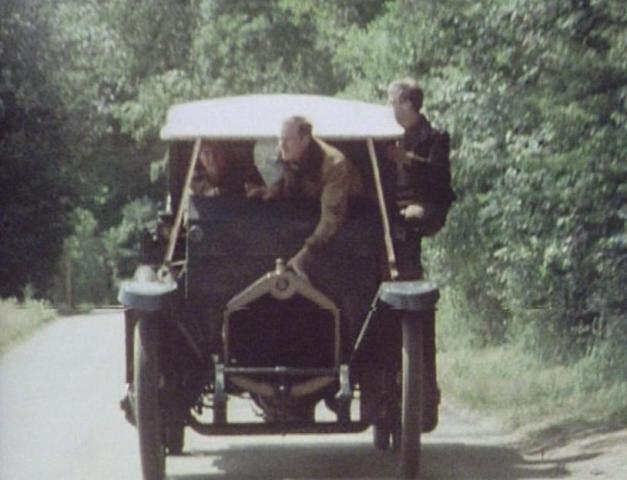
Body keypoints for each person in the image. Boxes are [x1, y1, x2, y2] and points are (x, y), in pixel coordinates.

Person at [387, 78, 453, 432]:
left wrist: (406, 159)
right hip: (389, 212)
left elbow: (440, 178)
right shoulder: (384, 133)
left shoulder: (435, 137)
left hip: (419, 212)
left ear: (408, 104)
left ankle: (423, 394)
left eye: (393, 101)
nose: (390, 108)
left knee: (417, 302)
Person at [246, 116, 364, 279]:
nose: (281, 145)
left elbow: (332, 218)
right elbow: (295, 188)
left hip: (352, 219)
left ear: (305, 140)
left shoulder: (334, 164)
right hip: (315, 211)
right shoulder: (289, 155)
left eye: (287, 140)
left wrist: (304, 256)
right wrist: (272, 192)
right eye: (280, 139)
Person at [191, 140, 262, 197]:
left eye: (216, 150)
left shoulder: (244, 177)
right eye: (206, 153)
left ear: (224, 153)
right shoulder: (192, 182)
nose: (212, 157)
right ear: (200, 158)